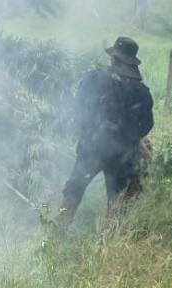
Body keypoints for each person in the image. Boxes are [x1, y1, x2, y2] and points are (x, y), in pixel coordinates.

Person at [57, 36, 154, 231]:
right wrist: (129, 139)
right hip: (122, 154)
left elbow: (79, 108)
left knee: (75, 188)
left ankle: (57, 234)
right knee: (116, 197)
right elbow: (147, 125)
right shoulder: (142, 92)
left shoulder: (94, 79)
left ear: (113, 58)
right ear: (132, 62)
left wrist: (86, 132)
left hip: (91, 147)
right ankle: (108, 242)